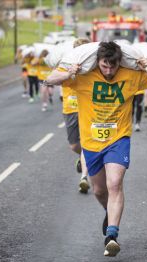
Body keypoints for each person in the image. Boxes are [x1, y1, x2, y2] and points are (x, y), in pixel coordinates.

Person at [46, 41, 147, 257]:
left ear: (120, 63)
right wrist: (69, 73)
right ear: (97, 62)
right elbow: (49, 79)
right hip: (91, 143)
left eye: (113, 66)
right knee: (100, 191)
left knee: (115, 183)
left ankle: (112, 236)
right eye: (104, 66)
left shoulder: (130, 75)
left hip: (118, 138)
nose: (109, 71)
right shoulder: (82, 76)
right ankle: (108, 212)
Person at [57, 38, 90, 193]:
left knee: (86, 143)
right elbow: (54, 79)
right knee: (75, 145)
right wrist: (70, 73)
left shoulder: (93, 66)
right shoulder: (65, 64)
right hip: (70, 109)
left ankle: (84, 177)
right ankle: (84, 159)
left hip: (89, 109)